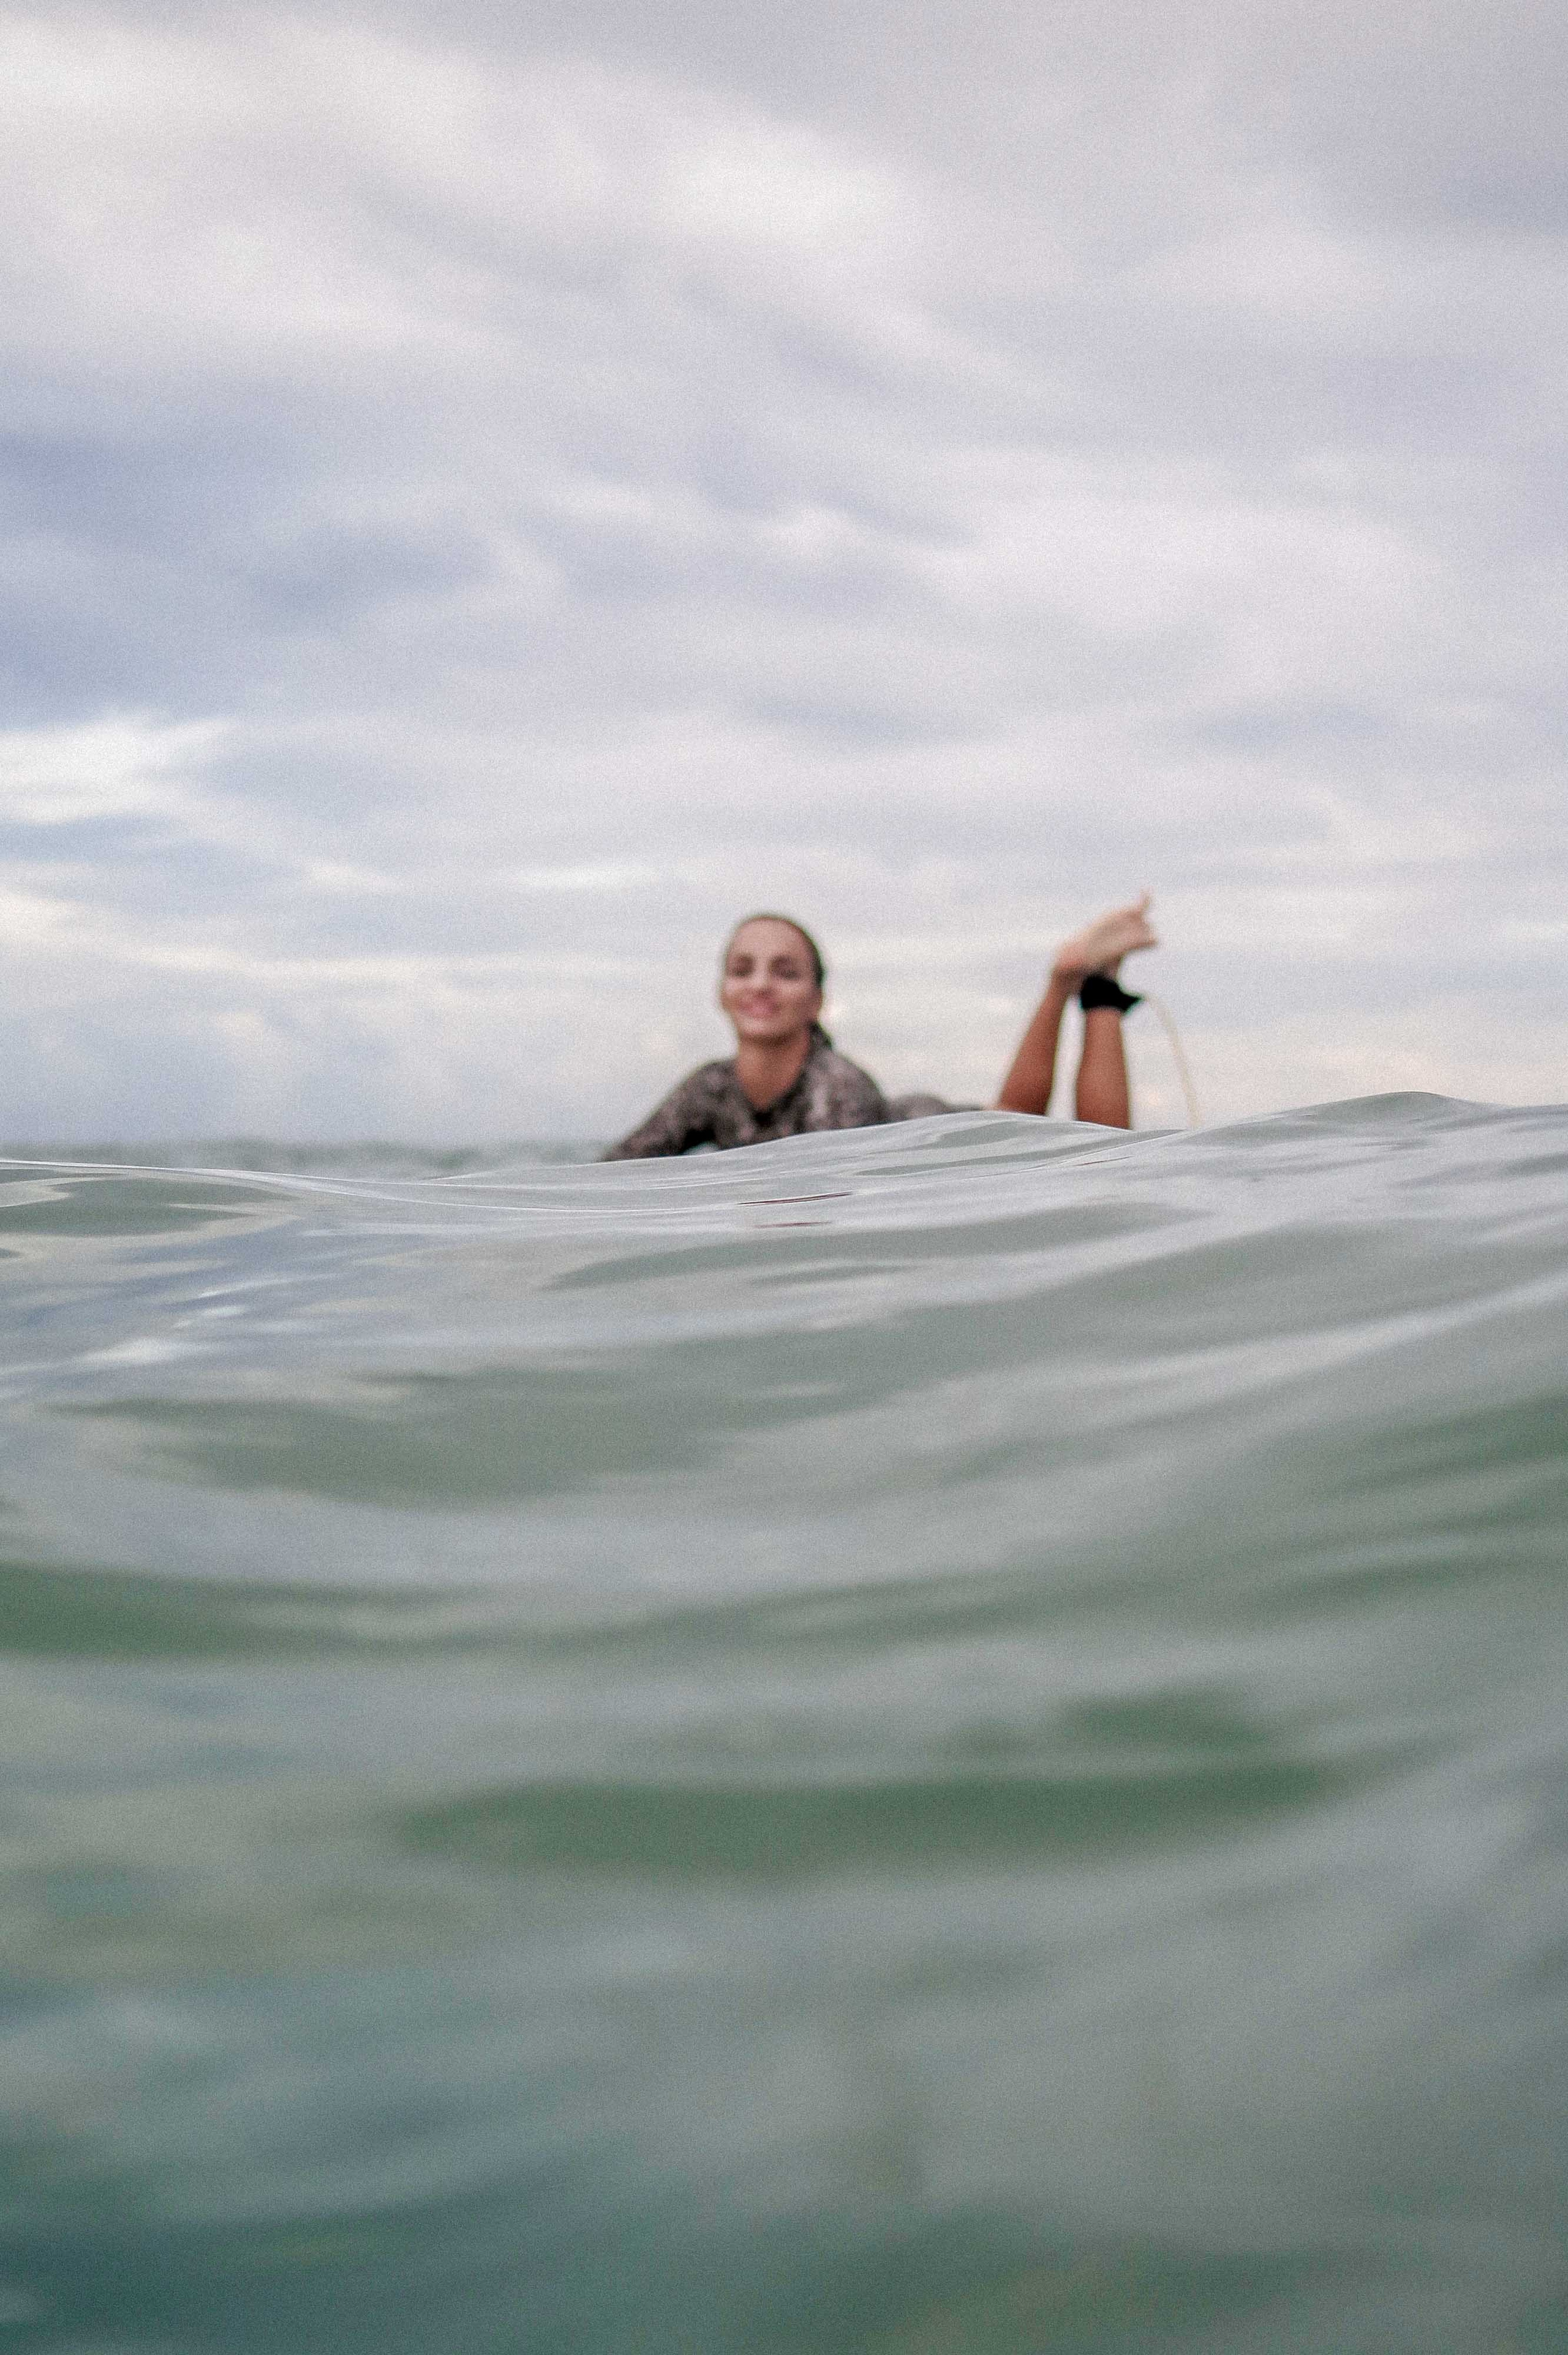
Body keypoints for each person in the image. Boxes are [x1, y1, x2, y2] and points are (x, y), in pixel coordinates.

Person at [603, 898, 1157, 1159]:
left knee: (1098, 1153)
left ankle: (1091, 987)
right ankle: (1071, 978)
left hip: (941, 1139)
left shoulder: (835, 1086)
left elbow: (830, 1208)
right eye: (742, 970)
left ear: (818, 1001)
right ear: (721, 993)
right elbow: (617, 1172)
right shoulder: (711, 1088)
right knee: (1018, 1113)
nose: (761, 985)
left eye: (786, 972)